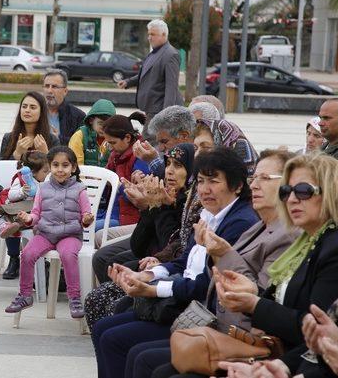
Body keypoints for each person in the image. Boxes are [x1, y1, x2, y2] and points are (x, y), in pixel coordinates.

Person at [92, 147, 259, 378]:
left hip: (200, 311)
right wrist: (147, 275)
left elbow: (205, 284)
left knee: (121, 343)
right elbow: (183, 261)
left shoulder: (238, 222)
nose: (204, 189)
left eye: (213, 181)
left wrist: (152, 289)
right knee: (105, 326)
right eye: (200, 181)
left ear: (238, 186)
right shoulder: (208, 213)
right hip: (183, 298)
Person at [203, 154, 338, 378]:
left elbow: (316, 329)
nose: (291, 199)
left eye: (303, 191)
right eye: (286, 191)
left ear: (332, 192)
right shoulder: (309, 240)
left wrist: (255, 304)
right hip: (285, 358)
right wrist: (253, 294)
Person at [139, 150, 300, 378]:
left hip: (243, 337)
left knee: (144, 358)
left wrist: (223, 254)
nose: (254, 186)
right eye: (254, 178)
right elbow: (180, 257)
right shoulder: (258, 226)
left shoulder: (272, 230)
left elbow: (259, 295)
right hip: (216, 322)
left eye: (265, 179)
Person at [85, 143, 194, 330]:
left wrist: (160, 207)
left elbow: (172, 245)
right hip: (156, 261)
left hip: (173, 273)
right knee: (105, 267)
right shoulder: (169, 194)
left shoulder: (189, 203)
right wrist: (148, 207)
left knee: (109, 291)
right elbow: (139, 245)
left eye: (177, 165)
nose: (169, 171)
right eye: (168, 164)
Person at [5, 146, 95, 318]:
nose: (60, 170)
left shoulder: (79, 190)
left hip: (70, 234)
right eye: (55, 165)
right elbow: (37, 214)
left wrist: (87, 220)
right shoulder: (43, 189)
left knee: (68, 256)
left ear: (73, 168)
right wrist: (28, 218)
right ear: (50, 166)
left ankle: (74, 298)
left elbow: (86, 215)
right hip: (45, 234)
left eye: (65, 165)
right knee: (28, 254)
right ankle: (25, 295)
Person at [117, 19, 183, 137]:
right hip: (151, 109)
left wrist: (165, 116)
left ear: (163, 35)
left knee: (148, 143)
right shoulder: (154, 53)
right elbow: (145, 75)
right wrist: (128, 82)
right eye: (148, 34)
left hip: (159, 111)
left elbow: (171, 87)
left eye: (152, 34)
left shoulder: (171, 55)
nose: (149, 37)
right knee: (148, 144)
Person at [0, 151, 50, 280]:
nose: (47, 174)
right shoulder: (20, 179)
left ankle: (40, 259)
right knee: (7, 224)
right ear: (32, 172)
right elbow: (11, 195)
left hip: (33, 215)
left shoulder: (45, 181)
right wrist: (22, 191)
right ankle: (14, 258)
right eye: (45, 171)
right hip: (16, 212)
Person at [99, 114, 150, 231]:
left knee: (90, 230)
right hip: (111, 212)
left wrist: (118, 185)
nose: (110, 148)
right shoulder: (115, 155)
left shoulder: (140, 158)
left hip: (127, 218)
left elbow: (139, 200)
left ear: (127, 138)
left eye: (112, 143)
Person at [133, 105, 196, 179]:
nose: (160, 148)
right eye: (159, 142)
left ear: (183, 136)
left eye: (164, 141)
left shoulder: (200, 160)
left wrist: (152, 160)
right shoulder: (175, 155)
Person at [0, 91, 60, 160]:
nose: (27, 110)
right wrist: (17, 154)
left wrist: (45, 154)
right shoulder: (8, 138)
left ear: (41, 112)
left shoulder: (52, 140)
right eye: (24, 107)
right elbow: (1, 168)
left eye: (33, 107)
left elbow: (57, 169)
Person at [194, 118, 258, 176]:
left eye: (205, 147)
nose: (196, 155)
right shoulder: (194, 180)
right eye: (195, 148)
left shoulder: (251, 186)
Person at [42, 69, 85, 145]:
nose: (49, 91)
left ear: (65, 91)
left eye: (54, 87)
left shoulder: (78, 116)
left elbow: (82, 145)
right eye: (46, 86)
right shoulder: (35, 112)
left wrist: (58, 139)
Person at [68, 98, 115, 166]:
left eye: (109, 124)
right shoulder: (80, 136)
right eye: (101, 123)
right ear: (91, 121)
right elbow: (76, 165)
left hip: (108, 176)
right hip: (84, 175)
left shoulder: (116, 138)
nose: (105, 128)